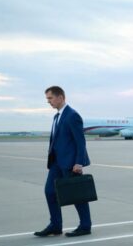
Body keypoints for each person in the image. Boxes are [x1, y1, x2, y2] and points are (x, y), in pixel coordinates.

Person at [34, 86, 92, 237]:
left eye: (50, 98)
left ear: (60, 97)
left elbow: (80, 141)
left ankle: (85, 226)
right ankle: (55, 225)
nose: (48, 101)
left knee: (77, 195)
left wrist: (79, 162)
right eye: (47, 99)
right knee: (49, 192)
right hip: (56, 163)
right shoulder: (57, 116)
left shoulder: (72, 115)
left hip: (71, 164)